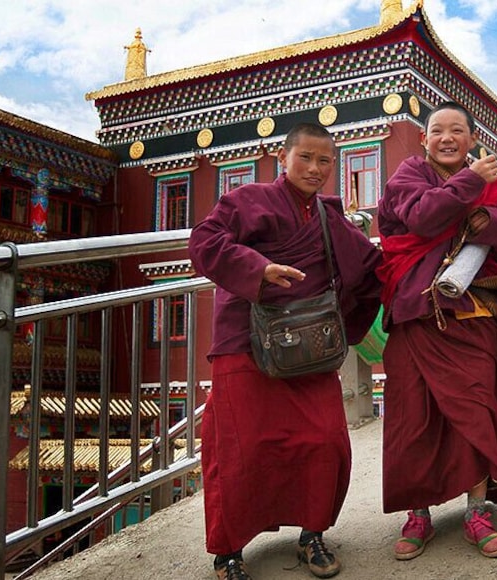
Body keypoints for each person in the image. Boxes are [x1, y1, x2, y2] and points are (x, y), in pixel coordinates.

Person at [189, 123, 383, 580]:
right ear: (284, 158)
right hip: (247, 341)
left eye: (325, 161)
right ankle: (228, 550)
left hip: (311, 346)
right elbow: (204, 242)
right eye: (306, 158)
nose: (315, 169)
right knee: (241, 448)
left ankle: (312, 534)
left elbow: (370, 268)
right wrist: (259, 269)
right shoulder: (247, 201)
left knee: (325, 439)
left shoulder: (328, 217)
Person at [376, 101, 497, 560]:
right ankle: (418, 513)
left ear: (471, 139)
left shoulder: (494, 187)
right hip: (417, 315)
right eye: (437, 130)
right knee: (414, 418)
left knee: (478, 407)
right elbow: (421, 217)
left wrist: (490, 218)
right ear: (424, 140)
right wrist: (471, 186)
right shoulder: (408, 175)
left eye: (456, 130)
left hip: (473, 310)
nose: (446, 137)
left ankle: (476, 510)